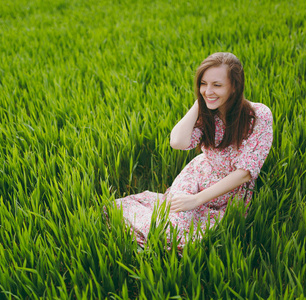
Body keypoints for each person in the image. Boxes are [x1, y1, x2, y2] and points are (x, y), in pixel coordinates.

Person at [114, 52, 273, 250]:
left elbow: (244, 174)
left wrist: (196, 200)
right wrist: (200, 102)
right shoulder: (206, 112)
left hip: (231, 192)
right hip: (197, 175)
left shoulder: (258, 116)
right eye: (203, 83)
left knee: (194, 242)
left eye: (217, 85)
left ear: (235, 87)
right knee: (168, 227)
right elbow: (177, 142)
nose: (208, 90)